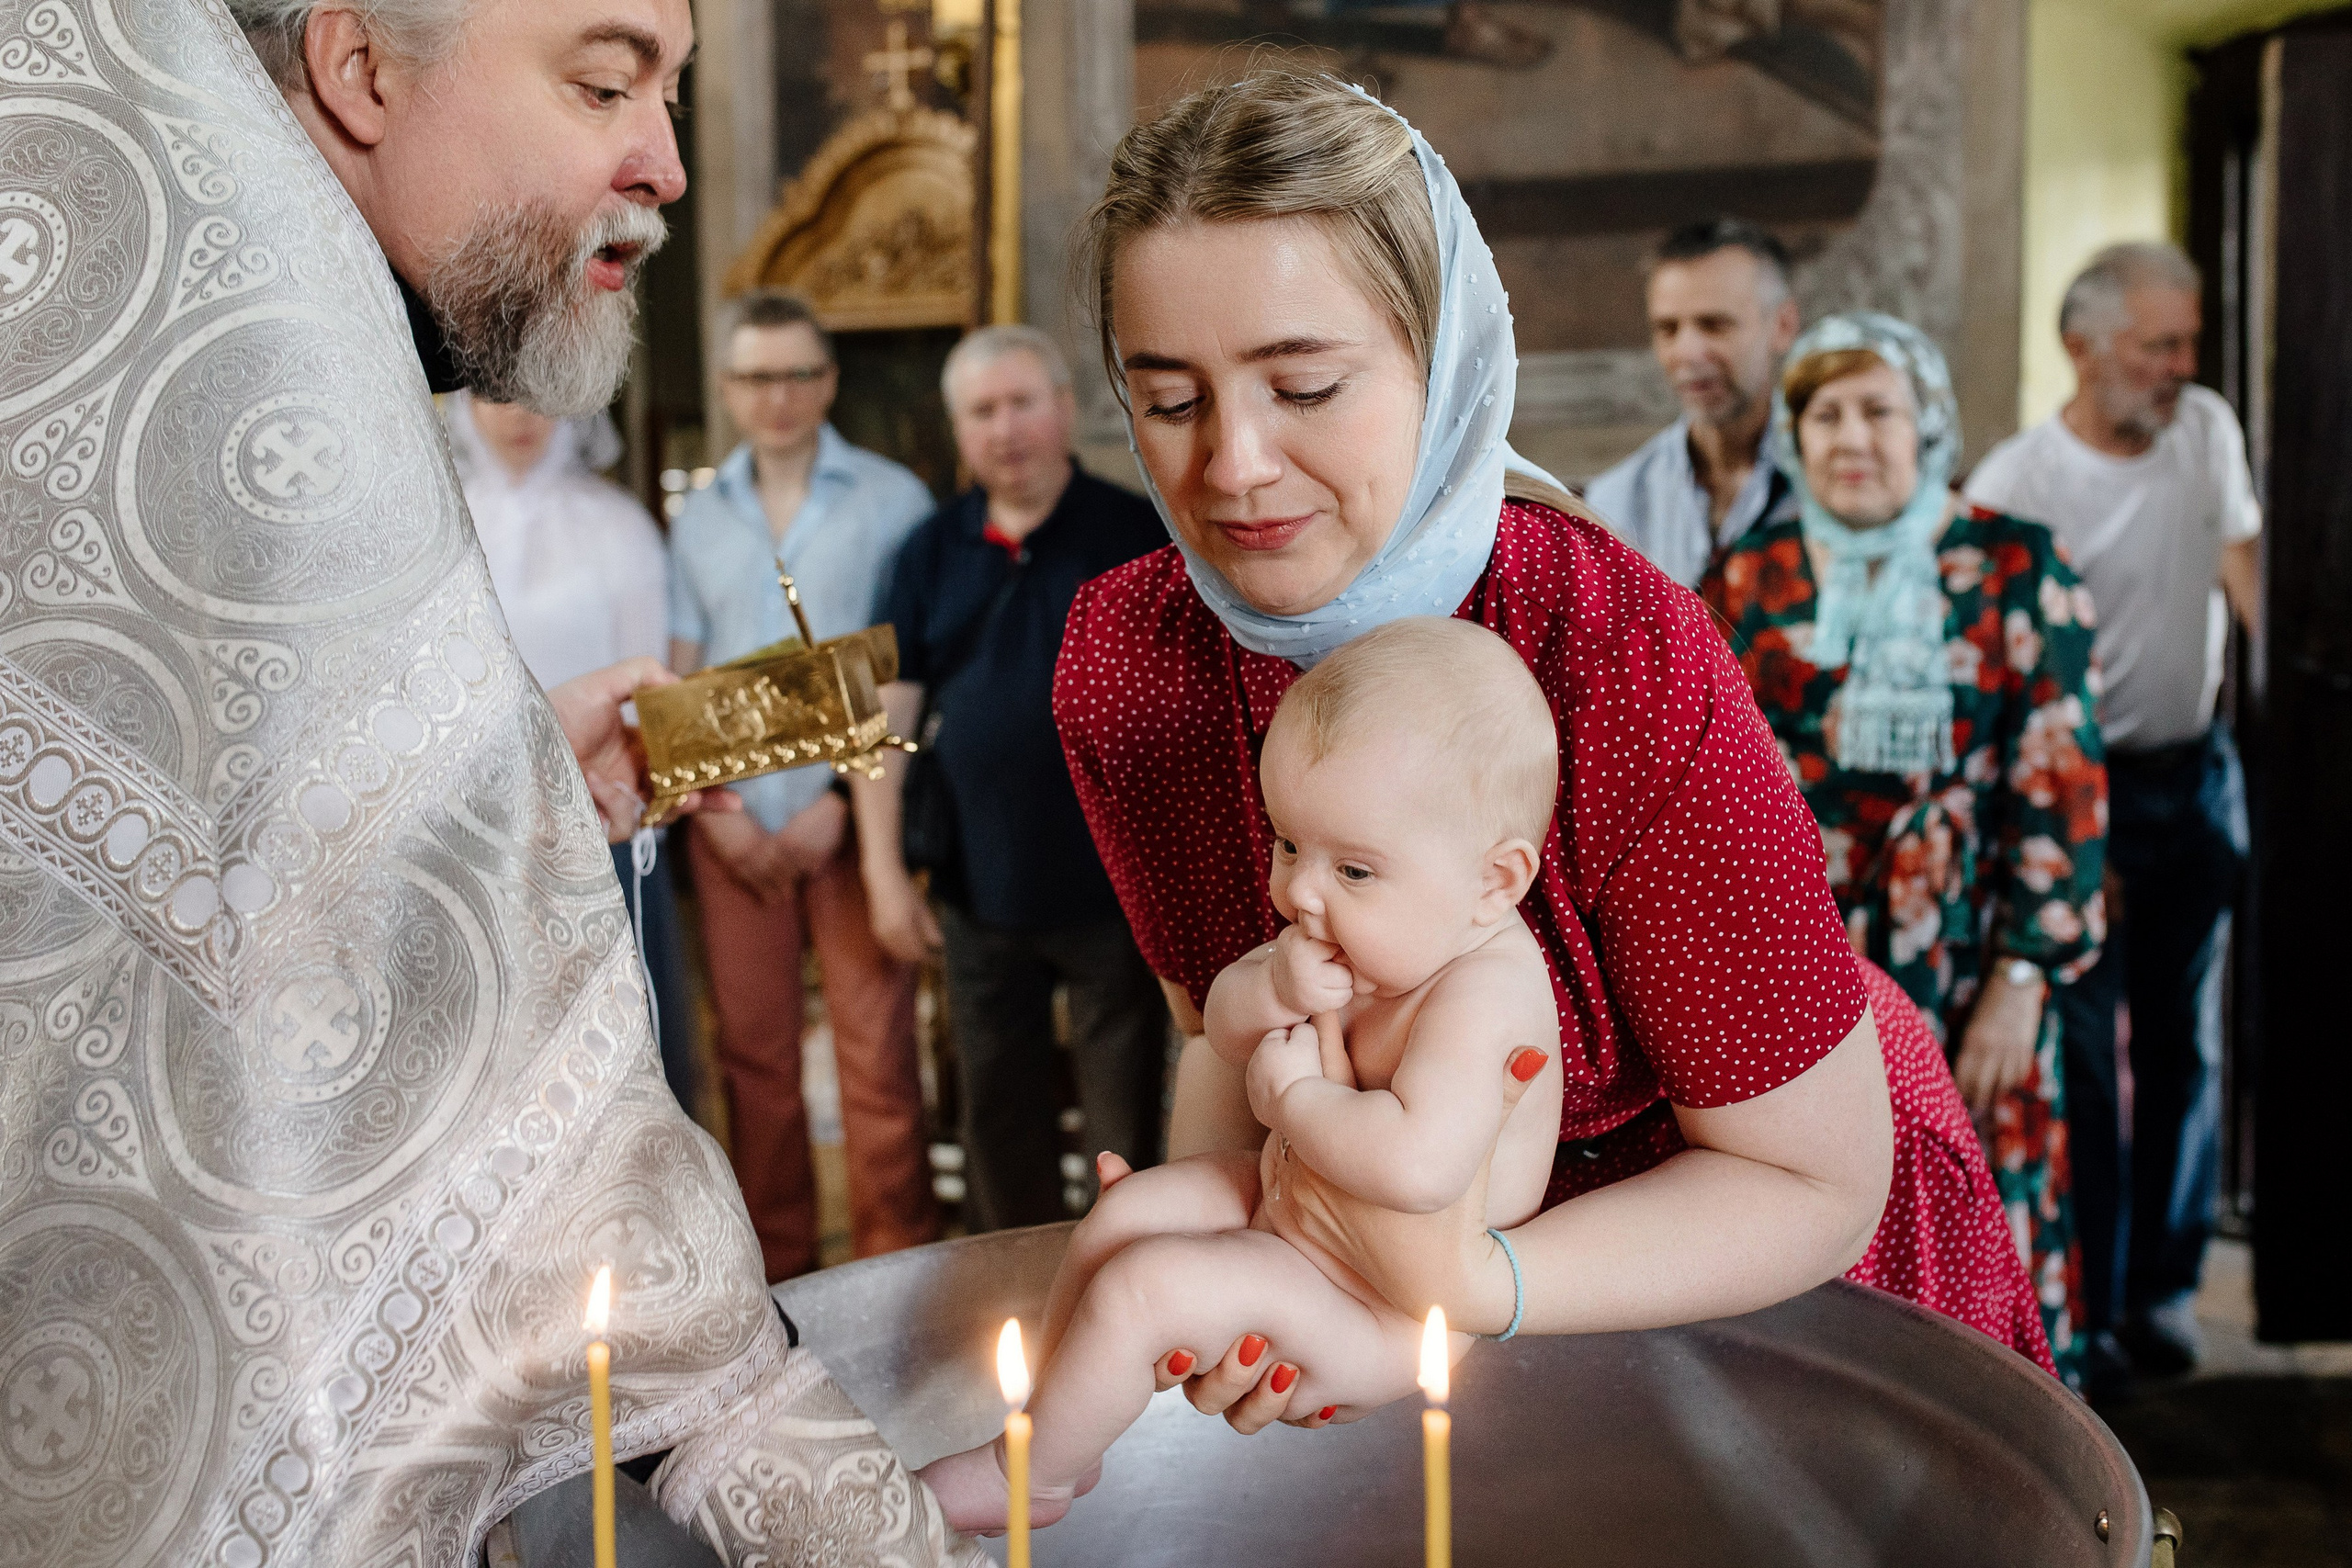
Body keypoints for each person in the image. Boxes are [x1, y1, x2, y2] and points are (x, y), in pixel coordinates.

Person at [6, 3, 980, 1562]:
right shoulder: (266, 353)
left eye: (669, 93)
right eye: (603, 81)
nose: (661, 161)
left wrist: (498, 763)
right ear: (362, 68)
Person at [1050, 73, 2052, 1442]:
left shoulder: (1613, 647)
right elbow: (1249, 1034)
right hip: (1408, 1252)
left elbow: (1809, 1180)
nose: (1234, 465)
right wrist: (1248, 1273)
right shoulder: (1130, 666)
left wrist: (1450, 1292)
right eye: (1168, 401)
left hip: (1752, 1257)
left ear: (1443, 351)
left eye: (1306, 386)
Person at [920, 617, 1566, 1530]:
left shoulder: (1486, 995)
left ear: (1494, 884)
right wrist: (1270, 985)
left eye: (1350, 867)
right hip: (1299, 1208)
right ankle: (1059, 1430)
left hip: (1378, 1301)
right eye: (1289, 846)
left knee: (1148, 1289)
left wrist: (1296, 1102)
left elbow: (1419, 1170)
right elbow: (1223, 1028)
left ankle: (1032, 1477)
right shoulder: (1357, 928)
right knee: (1126, 1216)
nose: (1300, 890)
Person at [1701, 312, 2109, 1387]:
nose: (1851, 438)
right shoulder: (1749, 579)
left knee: (1978, 1194)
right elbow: (1716, 792)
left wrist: (2022, 979)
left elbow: (2059, 784)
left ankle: (2008, 1462)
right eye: (1823, 413)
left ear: (1926, 425)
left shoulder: (2015, 564)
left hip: (1973, 962)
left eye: (1878, 410)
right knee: (1817, 1198)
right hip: (1808, 964)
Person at [1965, 242, 2259, 1381]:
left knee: (2184, 1042)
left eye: (2186, 341)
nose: (2182, 365)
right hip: (2077, 798)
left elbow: (2244, 566)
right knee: (2085, 1058)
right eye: (2158, 344)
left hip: (2195, 776)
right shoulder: (2013, 482)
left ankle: (2164, 1295)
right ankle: (2083, 1304)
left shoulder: (2207, 432)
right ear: (2079, 347)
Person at [854, 326, 1169, 1229]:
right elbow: (885, 721)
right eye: (982, 410)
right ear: (958, 429)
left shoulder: (1134, 533)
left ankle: (1133, 1274)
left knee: (1123, 1117)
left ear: (1065, 410)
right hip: (975, 886)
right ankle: (1019, 1300)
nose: (1005, 427)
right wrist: (880, 868)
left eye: (1022, 402)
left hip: (1114, 892)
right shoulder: (926, 552)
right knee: (997, 1110)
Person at [669, 289, 942, 1283]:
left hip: (852, 816)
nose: (775, 396)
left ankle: (893, 1276)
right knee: (756, 1067)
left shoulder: (893, 500)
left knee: (877, 1062)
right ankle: (777, 1281)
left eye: (795, 374)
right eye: (754, 377)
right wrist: (725, 817)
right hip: (735, 822)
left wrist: (837, 807)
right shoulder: (695, 520)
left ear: (826, 382)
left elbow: (915, 670)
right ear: (730, 389)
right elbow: (679, 671)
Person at [446, 392, 699, 1111]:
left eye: (540, 401)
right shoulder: (438, 518)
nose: (520, 418)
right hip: (477, 819)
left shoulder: (618, 526)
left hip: (600, 809)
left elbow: (643, 676)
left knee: (622, 1033)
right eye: (499, 398)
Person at [1584, 218, 1802, 588]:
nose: (1686, 352)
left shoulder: (1839, 479)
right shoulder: (1615, 503)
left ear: (1782, 326)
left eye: (1715, 325)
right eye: (1667, 329)